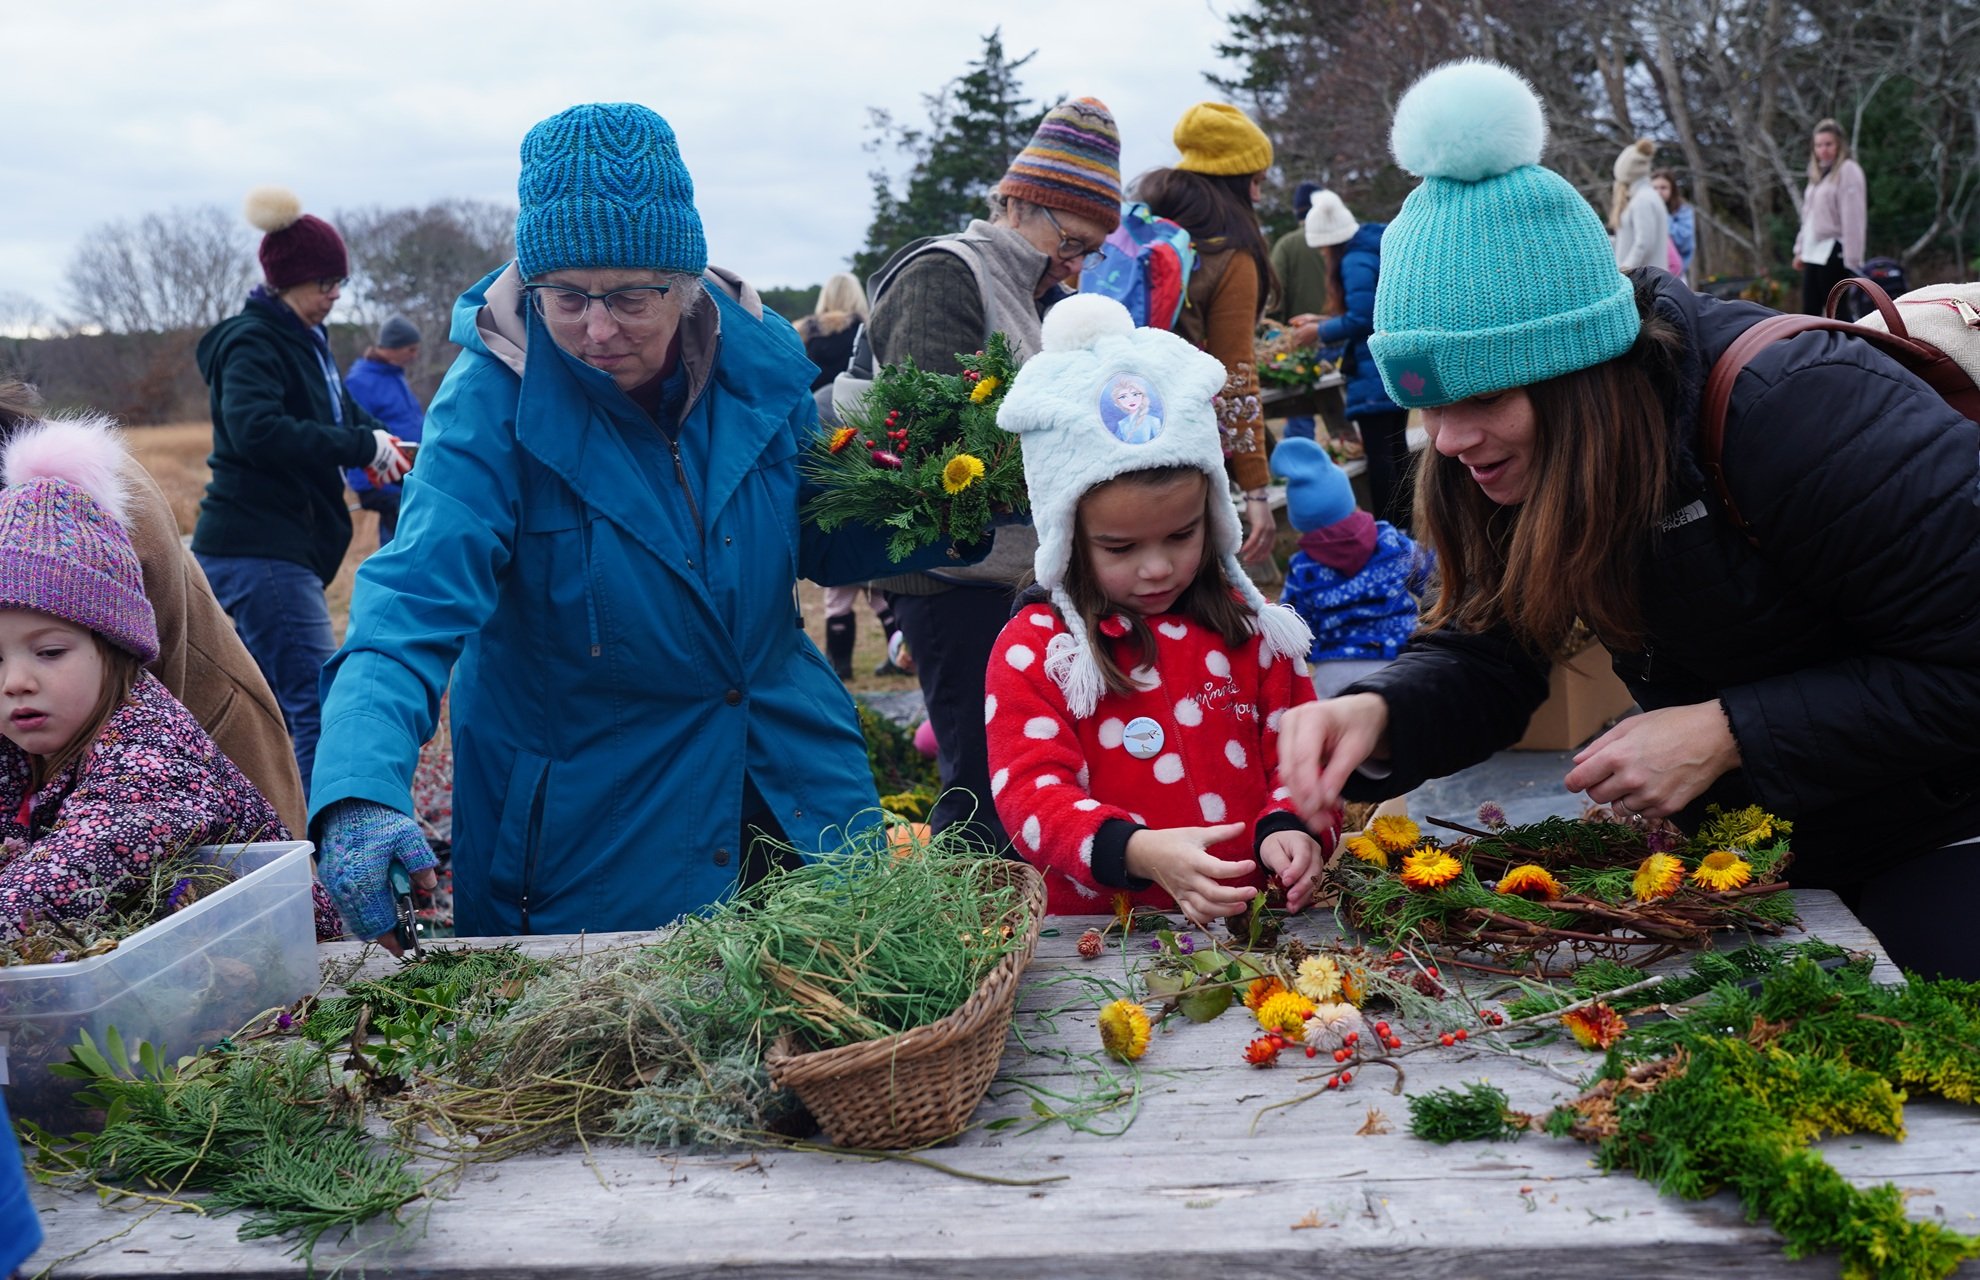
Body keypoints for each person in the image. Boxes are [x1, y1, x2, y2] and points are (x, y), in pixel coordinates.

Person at [1276, 60, 1980, 981]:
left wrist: (1728, 730)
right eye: (1429, 406)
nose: (1447, 441)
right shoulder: (1510, 458)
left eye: (1480, 396)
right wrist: (1382, 711)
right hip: (1768, 850)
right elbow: (1494, 645)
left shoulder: (1799, 412)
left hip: (1945, 831)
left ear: (1576, 373)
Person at [308, 103, 987, 946]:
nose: (597, 329)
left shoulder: (758, 371)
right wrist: (359, 786)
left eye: (630, 295)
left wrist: (950, 503)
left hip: (790, 794)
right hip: (596, 837)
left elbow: (817, 535)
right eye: (566, 297)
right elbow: (408, 606)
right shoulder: (492, 407)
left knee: (843, 1033)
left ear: (685, 280)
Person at [985, 294, 1333, 924]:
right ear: (1066, 536)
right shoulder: (1039, 648)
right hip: (1104, 939)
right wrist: (1137, 851)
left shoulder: (1249, 630)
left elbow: (1301, 752)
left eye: (1181, 535)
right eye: (1119, 546)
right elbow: (1031, 796)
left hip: (1258, 927)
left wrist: (1296, 827)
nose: (1157, 567)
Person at [856, 97, 1124, 853]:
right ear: (1016, 203)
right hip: (952, 580)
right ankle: (962, 944)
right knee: (981, 788)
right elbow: (928, 445)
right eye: (1071, 240)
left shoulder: (1054, 300)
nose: (1077, 262)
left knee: (1039, 773)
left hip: (1024, 574)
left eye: (1091, 249)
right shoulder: (944, 275)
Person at [0, 421, 341, 942]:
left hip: (268, 978)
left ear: (114, 648)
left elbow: (63, 879)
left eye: (49, 652)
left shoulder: (151, 753)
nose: (16, 681)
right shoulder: (30, 734)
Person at [0, 386, 306, 836]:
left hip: (211, 830)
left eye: (48, 651)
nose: (16, 680)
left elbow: (79, 862)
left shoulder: (143, 758)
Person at [191, 188, 411, 798]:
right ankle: (323, 861)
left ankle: (275, 832)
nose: (335, 294)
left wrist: (380, 440)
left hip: (279, 549)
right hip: (257, 548)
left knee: (273, 710)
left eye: (339, 281)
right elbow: (255, 431)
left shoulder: (309, 341)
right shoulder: (252, 342)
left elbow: (342, 410)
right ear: (289, 280)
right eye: (325, 282)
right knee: (319, 703)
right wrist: (356, 447)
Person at [1137, 102, 1279, 563]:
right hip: (1185, 446)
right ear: (1232, 182)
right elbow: (1235, 373)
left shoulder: (1141, 232)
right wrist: (1256, 490)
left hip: (1119, 425)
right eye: (1254, 182)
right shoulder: (1229, 254)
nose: (1258, 197)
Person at [1289, 190, 1413, 531]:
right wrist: (1322, 319)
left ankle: (1392, 530)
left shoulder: (1353, 260)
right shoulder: (1372, 246)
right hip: (1392, 367)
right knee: (1396, 452)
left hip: (1373, 373)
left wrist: (1321, 331)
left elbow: (1363, 317)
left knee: (1382, 458)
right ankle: (1409, 529)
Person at [1270, 437, 1427, 697]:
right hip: (1399, 659)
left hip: (1335, 671)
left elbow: (1294, 625)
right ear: (1350, 502)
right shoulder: (1388, 541)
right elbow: (1433, 575)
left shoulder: (1303, 567)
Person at [344, 315, 425, 547]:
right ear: (393, 347)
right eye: (411, 349)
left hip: (406, 477)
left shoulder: (394, 376)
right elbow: (354, 431)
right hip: (383, 483)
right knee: (399, 547)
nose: (414, 355)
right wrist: (367, 485)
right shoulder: (361, 381)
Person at [1268, 181, 1328, 441]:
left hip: (1301, 343)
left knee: (1300, 416)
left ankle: (1304, 469)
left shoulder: (1287, 246)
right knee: (1342, 418)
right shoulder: (1339, 240)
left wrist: (1271, 333)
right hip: (1344, 337)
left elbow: (1274, 299)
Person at [1793, 118, 1868, 316]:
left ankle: (1849, 347)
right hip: (1813, 250)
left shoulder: (1847, 171)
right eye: (1818, 145)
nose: (1823, 149)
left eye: (1828, 144)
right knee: (1809, 311)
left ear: (1839, 145)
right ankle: (1813, 347)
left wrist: (1853, 260)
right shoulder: (1816, 175)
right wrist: (1800, 249)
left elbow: (1854, 218)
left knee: (1837, 312)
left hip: (1834, 250)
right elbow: (1808, 217)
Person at [797, 272, 867, 392]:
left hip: (813, 406)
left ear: (825, 296)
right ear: (857, 296)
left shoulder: (805, 335)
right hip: (855, 405)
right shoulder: (867, 333)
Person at [1610, 138, 1669, 272]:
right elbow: (1627, 241)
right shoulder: (1645, 197)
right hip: (1646, 280)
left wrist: (1624, 272)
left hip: (1644, 284)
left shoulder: (1643, 200)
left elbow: (1644, 244)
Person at [1652, 169, 1695, 280]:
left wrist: (1663, 215)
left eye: (1663, 188)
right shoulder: (1644, 212)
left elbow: (1684, 241)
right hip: (1652, 274)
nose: (1658, 192)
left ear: (1672, 190)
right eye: (1654, 188)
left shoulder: (1683, 211)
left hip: (1676, 274)